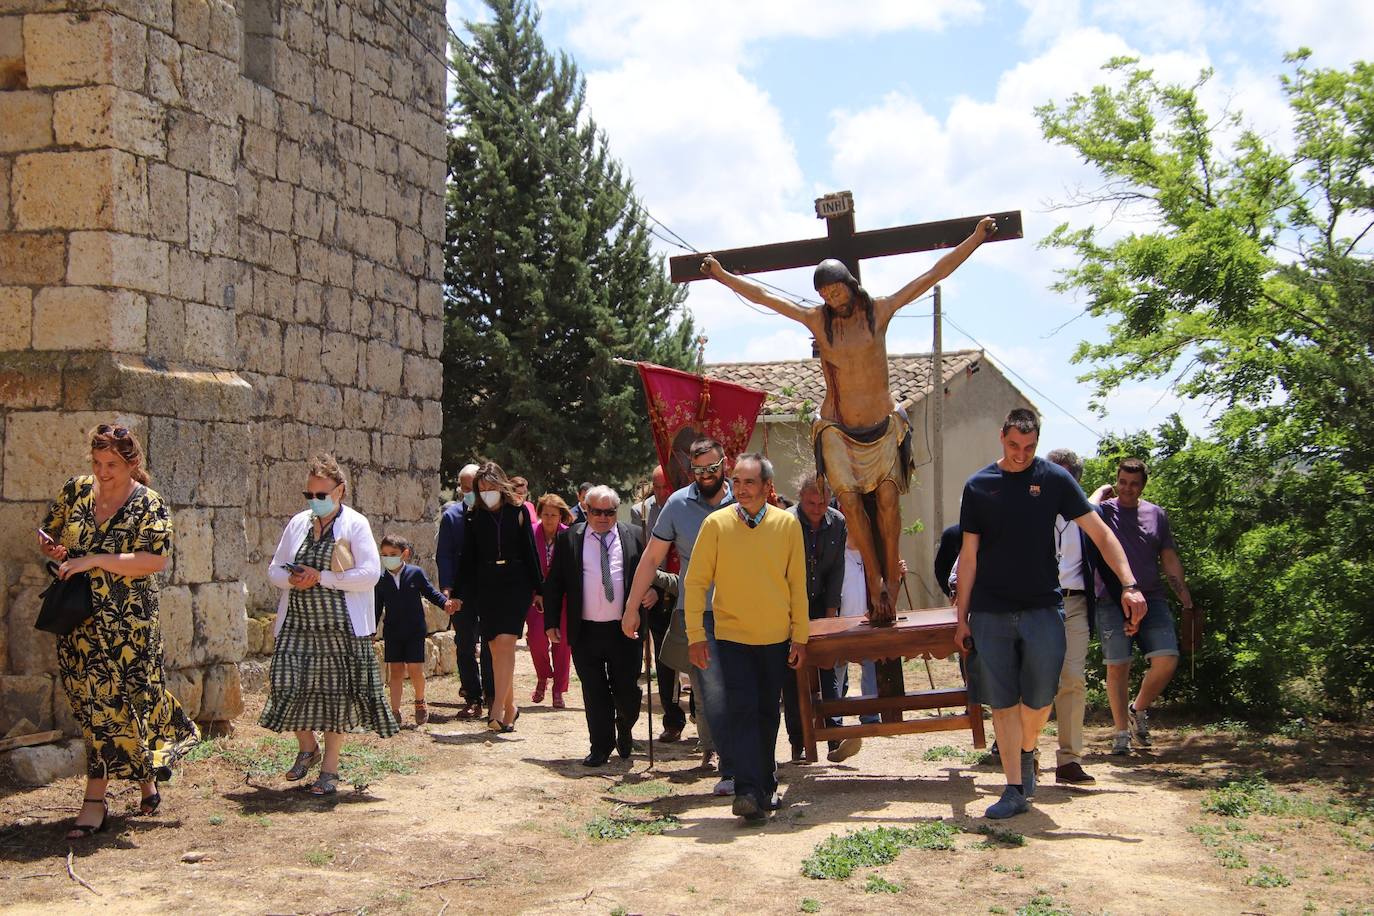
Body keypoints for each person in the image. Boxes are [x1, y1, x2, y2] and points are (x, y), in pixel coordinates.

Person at [700, 216, 998, 625]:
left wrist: (976, 239)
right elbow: (766, 297)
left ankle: (890, 582)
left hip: (881, 428)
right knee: (852, 504)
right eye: (824, 292)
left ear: (849, 285)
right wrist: (722, 276)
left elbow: (931, 274)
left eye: (836, 288)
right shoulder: (817, 321)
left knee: (890, 502)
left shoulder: (879, 311)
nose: (832, 297)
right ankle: (875, 580)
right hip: (837, 429)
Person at [954, 410, 1146, 819]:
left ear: (1037, 443)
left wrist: (1129, 583)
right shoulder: (978, 486)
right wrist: (961, 619)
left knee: (1040, 701)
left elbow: (1101, 533)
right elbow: (967, 558)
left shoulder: (1055, 480)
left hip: (1043, 606)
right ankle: (1013, 786)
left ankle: (1027, 748)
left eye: (1029, 447)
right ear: (1001, 436)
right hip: (990, 610)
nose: (1021, 455)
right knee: (1003, 703)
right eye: (1013, 446)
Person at [37, 423, 199, 839]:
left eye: (111, 464)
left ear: (132, 463)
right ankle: (141, 782)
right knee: (94, 708)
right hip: (80, 624)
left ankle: (95, 800)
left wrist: (93, 559)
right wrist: (55, 549)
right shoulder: (76, 491)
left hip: (130, 627)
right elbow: (50, 534)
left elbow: (154, 561)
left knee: (126, 702)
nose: (102, 471)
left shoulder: (149, 504)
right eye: (96, 462)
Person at [262, 454, 398, 796]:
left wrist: (321, 577)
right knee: (286, 683)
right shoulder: (298, 523)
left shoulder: (355, 524)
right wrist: (294, 580)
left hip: (340, 626)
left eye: (321, 495)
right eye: (309, 495)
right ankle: (307, 746)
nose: (314, 502)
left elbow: (369, 574)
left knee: (336, 696)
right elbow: (274, 569)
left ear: (340, 491)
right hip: (297, 622)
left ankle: (329, 769)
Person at [685, 453, 808, 822]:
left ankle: (764, 785)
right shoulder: (716, 525)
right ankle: (747, 791)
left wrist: (799, 636)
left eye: (749, 482)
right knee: (742, 710)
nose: (741, 489)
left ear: (768, 487)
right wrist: (695, 635)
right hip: (731, 636)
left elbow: (797, 586)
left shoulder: (787, 526)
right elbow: (695, 583)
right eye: (736, 482)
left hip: (775, 638)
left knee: (767, 712)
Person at [622, 438, 738, 796]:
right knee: (711, 692)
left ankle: (751, 761)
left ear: (725, 464)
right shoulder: (676, 504)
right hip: (698, 612)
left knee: (746, 688)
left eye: (712, 468)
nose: (706, 476)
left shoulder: (746, 500)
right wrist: (630, 607)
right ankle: (729, 765)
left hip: (745, 610)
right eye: (698, 470)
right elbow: (651, 559)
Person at [543, 486, 662, 765]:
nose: (603, 518)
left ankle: (625, 723)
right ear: (586, 510)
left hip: (625, 628)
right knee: (594, 691)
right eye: (596, 512)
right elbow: (554, 583)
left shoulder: (635, 535)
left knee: (627, 690)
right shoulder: (570, 538)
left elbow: (650, 573)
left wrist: (654, 590)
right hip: (585, 630)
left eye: (609, 512)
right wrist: (550, 622)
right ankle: (600, 746)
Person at [1089, 458, 1197, 754]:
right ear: (1117, 481)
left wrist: (1182, 591)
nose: (1127, 488)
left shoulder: (1156, 514)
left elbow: (1169, 557)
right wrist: (1102, 489)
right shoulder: (1104, 512)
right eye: (1123, 482)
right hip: (1111, 599)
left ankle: (1138, 709)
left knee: (1167, 658)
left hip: (1152, 597)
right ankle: (1121, 733)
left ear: (1143, 485)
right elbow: (1084, 510)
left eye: (1134, 483)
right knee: (1118, 666)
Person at [1045, 449, 1120, 786]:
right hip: (1037, 604)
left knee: (1072, 679)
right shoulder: (1032, 510)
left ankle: (1069, 761)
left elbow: (1108, 554)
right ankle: (1022, 755)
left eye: (1065, 478)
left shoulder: (1088, 517)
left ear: (1075, 482)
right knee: (1030, 680)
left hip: (1075, 604)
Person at [454, 461, 542, 733]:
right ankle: (511, 707)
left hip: (516, 582)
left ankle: (496, 710)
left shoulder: (518, 511)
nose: (487, 492)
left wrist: (539, 589)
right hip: (487, 583)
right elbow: (467, 558)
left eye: (491, 487)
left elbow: (530, 550)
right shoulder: (474, 516)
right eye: (482, 489)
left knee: (506, 642)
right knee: (494, 648)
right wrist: (458, 593)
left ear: (501, 485)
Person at [781, 472, 850, 763]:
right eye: (812, 503)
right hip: (788, 606)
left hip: (823, 603)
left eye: (823, 503)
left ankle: (835, 739)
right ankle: (798, 741)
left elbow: (837, 570)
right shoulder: (784, 522)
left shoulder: (838, 522)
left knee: (829, 670)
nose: (818, 509)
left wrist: (832, 615)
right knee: (793, 675)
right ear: (800, 497)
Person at [631, 465, 688, 741]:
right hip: (658, 597)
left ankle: (702, 719)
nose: (663, 493)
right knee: (665, 660)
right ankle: (672, 718)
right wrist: (651, 587)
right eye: (658, 487)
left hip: (686, 591)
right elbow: (643, 556)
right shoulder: (641, 512)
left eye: (667, 487)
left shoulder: (687, 507)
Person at [375, 534, 455, 727]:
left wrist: (445, 603)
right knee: (395, 671)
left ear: (405, 554)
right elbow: (376, 607)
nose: (388, 558)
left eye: (393, 554)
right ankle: (394, 711)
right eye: (384, 554)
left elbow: (430, 592)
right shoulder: (381, 579)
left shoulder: (415, 573)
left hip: (414, 631)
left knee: (415, 669)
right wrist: (371, 631)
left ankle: (419, 702)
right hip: (393, 632)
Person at [437, 463, 493, 720]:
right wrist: (447, 588)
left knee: (493, 644)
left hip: (489, 588)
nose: (468, 492)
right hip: (462, 591)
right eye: (464, 487)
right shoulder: (451, 517)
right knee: (464, 643)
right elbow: (445, 555)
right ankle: (472, 695)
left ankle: (493, 696)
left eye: (473, 487)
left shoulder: (493, 515)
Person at [529, 493, 573, 708]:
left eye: (553, 515)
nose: (548, 519)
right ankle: (542, 677)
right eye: (545, 514)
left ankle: (558, 689)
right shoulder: (531, 533)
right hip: (537, 597)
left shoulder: (568, 535)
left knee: (562, 643)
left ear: (560, 516)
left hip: (562, 597)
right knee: (536, 640)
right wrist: (537, 591)